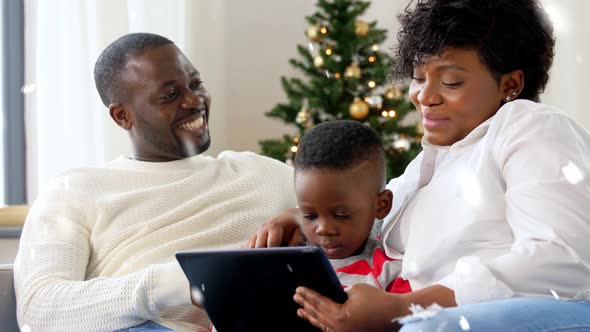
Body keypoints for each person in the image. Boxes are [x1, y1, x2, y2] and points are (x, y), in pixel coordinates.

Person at [250, 0, 590, 331]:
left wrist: (405, 307)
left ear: (510, 85)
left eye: (451, 81)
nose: (424, 96)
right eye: (417, 77)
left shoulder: (529, 126)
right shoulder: (426, 165)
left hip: (502, 315)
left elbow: (562, 259)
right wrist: (304, 216)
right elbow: (369, 222)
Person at [13, 32, 297, 332]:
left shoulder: (263, 172)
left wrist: (302, 219)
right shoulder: (75, 190)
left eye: (196, 84)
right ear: (122, 116)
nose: (194, 100)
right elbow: (39, 309)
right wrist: (187, 281)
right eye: (170, 95)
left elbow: (347, 223)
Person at [286, 120, 410, 292]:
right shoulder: (286, 255)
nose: (324, 229)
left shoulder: (389, 273)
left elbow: (413, 315)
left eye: (341, 215)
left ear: (381, 205)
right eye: (310, 215)